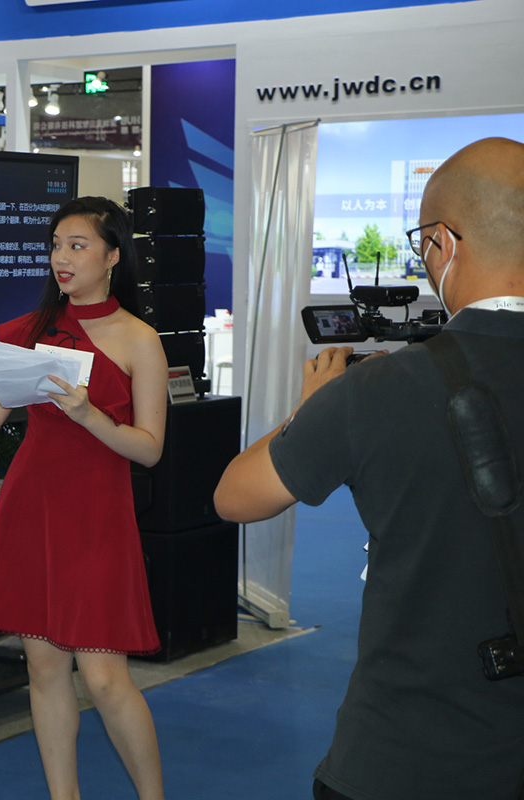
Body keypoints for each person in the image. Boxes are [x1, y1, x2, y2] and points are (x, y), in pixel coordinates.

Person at [214, 137, 524, 799]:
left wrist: (309, 410)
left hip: (405, 758)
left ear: (443, 243)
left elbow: (236, 497)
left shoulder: (377, 391)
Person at [0, 196, 168, 800]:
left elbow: (150, 448)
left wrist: (88, 414)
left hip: (98, 514)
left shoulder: (139, 339)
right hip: (32, 509)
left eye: (77, 245)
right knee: (44, 668)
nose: (61, 258)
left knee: (103, 678)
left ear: (113, 257)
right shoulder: (29, 332)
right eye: (55, 245)